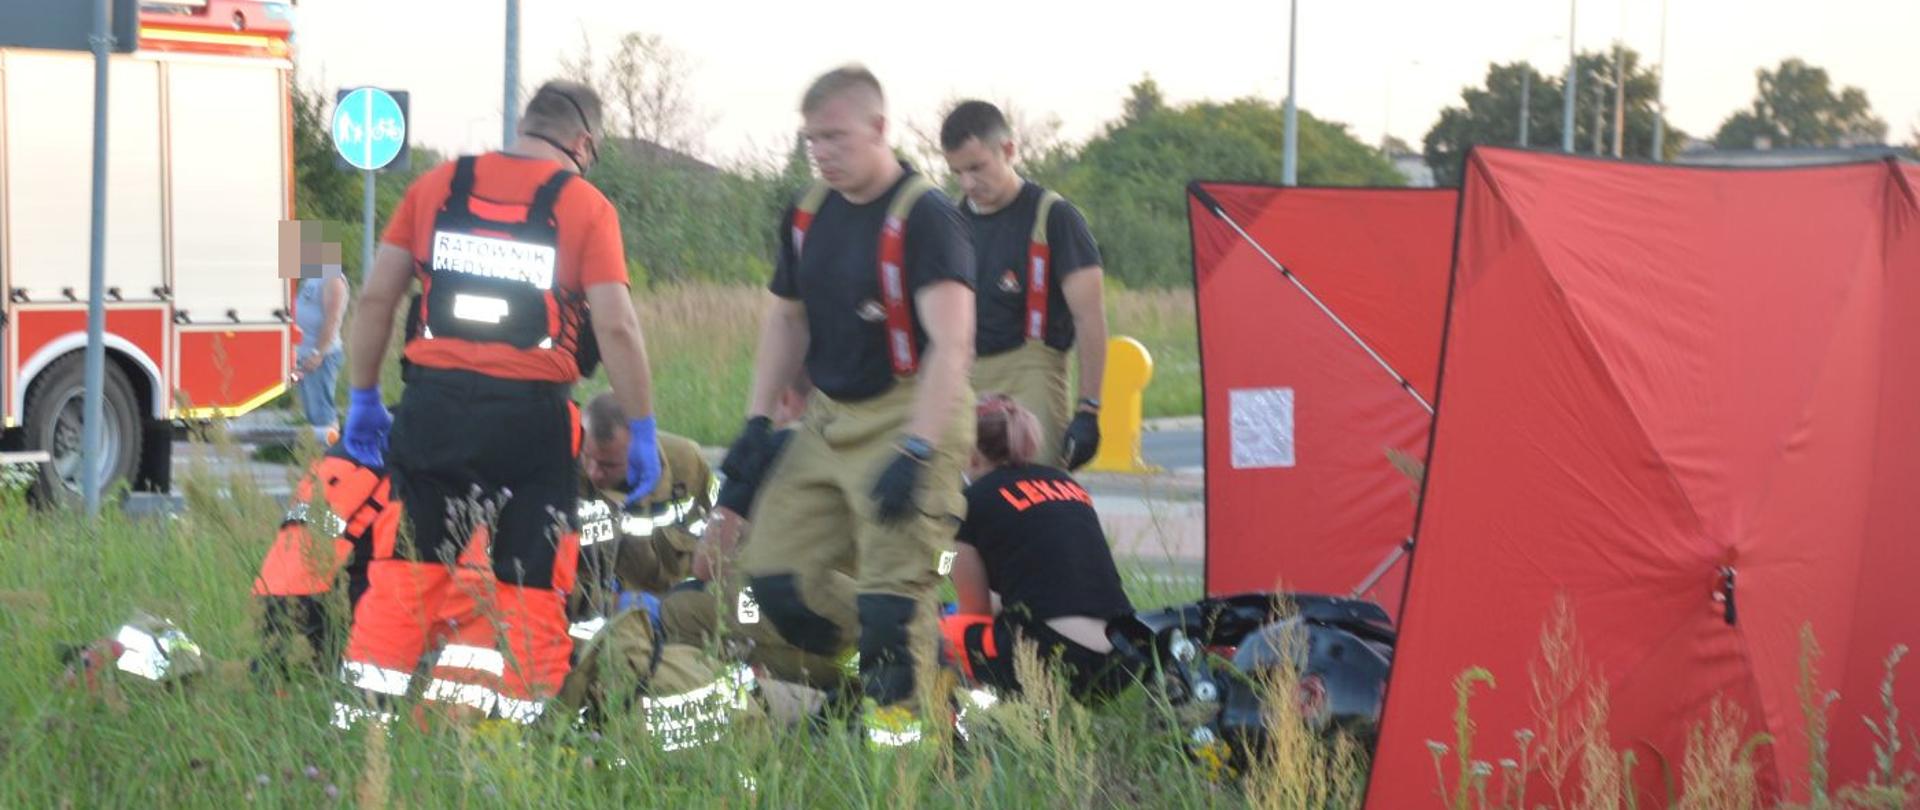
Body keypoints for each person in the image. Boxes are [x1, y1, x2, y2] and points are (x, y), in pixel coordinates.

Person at [332, 80, 662, 727]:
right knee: (526, 585)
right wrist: (643, 426)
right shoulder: (585, 206)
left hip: (431, 414)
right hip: (533, 421)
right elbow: (617, 327)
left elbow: (376, 300)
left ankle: (366, 721)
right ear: (584, 143)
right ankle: (506, 730)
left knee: (405, 572)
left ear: (525, 127)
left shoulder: (435, 188)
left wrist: (365, 397)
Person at [722, 65, 976, 747]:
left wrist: (919, 449)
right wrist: (755, 422)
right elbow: (786, 322)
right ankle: (925, 663)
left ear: (879, 128)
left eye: (835, 137)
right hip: (830, 420)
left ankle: (907, 754)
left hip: (912, 415)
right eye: (812, 141)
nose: (823, 153)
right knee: (776, 581)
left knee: (891, 605)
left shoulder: (925, 215)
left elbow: (953, 346)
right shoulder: (808, 214)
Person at [941, 101, 1108, 470]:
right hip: (964, 379)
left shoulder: (1055, 217)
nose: (968, 183)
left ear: (1009, 150)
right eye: (957, 172)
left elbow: (1090, 318)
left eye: (977, 167)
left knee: (1035, 499)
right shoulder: (949, 224)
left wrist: (1089, 409)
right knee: (963, 511)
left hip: (1032, 374)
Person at [940, 394, 1137, 702]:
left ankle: (969, 729)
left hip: (1058, 658)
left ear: (972, 455)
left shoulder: (969, 503)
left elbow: (973, 612)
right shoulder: (1067, 484)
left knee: (935, 634)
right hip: (1124, 658)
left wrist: (940, 574)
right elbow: (1044, 586)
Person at [567, 392, 717, 645]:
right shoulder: (562, 477)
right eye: (587, 458)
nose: (593, 472)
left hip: (677, 618)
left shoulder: (688, 465)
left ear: (639, 449)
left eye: (608, 465)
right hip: (597, 626)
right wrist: (609, 603)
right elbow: (541, 581)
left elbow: (728, 546)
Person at [293, 260, 350, 446]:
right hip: (305, 355)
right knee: (313, 412)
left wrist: (318, 353)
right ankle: (320, 459)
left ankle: (333, 459)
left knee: (322, 413)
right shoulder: (313, 276)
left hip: (321, 357)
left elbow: (332, 320)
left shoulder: (332, 278)